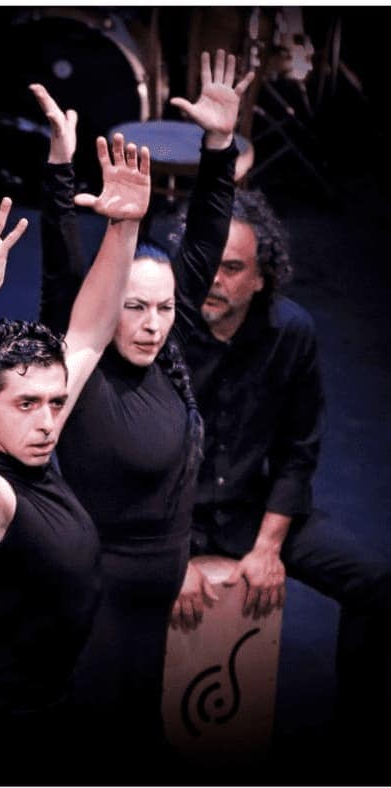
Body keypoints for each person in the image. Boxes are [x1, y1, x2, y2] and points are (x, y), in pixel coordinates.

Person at [36, 50, 254, 773]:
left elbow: (203, 240)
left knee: (138, 737)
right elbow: (66, 272)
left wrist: (218, 147)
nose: (153, 322)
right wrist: (62, 175)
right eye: (134, 307)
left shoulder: (168, 353)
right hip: (94, 591)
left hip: (157, 593)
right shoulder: (86, 364)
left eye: (164, 309)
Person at [0, 127, 151, 779]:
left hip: (52, 719)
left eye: (55, 402)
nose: (49, 419)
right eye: (26, 405)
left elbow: (88, 330)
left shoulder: (39, 437)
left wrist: (125, 230)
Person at [169, 186, 391, 777]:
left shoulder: (292, 332)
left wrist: (269, 545)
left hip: (248, 510)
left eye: (233, 267)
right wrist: (176, 555)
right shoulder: (161, 327)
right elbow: (129, 464)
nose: (213, 278)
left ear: (261, 279)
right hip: (166, 521)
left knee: (375, 583)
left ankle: (358, 750)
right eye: (206, 260)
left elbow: (299, 448)